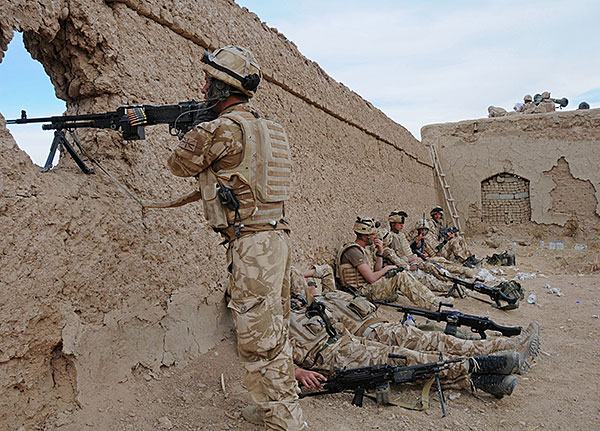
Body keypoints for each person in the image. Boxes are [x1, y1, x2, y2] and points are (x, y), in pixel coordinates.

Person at [166, 45, 305, 430]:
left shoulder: (221, 129)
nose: (203, 85)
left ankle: (285, 422)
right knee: (274, 330)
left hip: (253, 248)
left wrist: (193, 128)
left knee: (259, 338)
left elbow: (179, 165)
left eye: (208, 81)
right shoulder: (270, 128)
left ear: (219, 88)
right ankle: (275, 409)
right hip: (276, 239)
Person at [289, 292, 522, 399]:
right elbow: (260, 360)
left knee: (410, 359)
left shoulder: (298, 306)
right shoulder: (265, 323)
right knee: (409, 362)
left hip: (349, 343)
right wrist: (297, 372)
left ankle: (480, 379)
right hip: (331, 358)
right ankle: (479, 366)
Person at [290, 269, 541, 368]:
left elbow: (322, 271)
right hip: (368, 336)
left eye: (311, 284)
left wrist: (306, 274)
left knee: (438, 342)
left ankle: (508, 346)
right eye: (307, 286)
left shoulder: (330, 294)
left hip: (375, 331)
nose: (311, 287)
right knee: (426, 355)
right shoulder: (312, 307)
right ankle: (495, 361)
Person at [336, 217, 445, 310]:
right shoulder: (353, 251)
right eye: (372, 234)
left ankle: (432, 299)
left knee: (401, 274)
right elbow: (371, 278)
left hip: (366, 288)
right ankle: (432, 304)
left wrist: (380, 253)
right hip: (359, 293)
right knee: (399, 276)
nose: (375, 237)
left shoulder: (363, 249)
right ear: (365, 235)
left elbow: (376, 272)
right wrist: (388, 268)